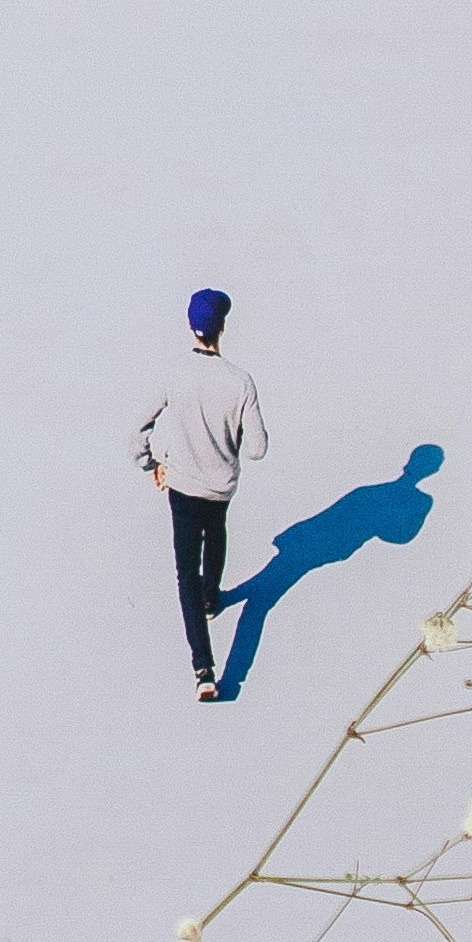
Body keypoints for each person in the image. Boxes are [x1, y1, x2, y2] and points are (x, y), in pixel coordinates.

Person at [132, 288, 267, 704]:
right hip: (222, 486)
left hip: (183, 486)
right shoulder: (240, 381)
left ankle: (204, 669)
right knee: (217, 531)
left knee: (184, 572)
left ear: (191, 327)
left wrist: (151, 464)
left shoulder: (174, 375)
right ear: (222, 326)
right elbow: (258, 448)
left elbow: (139, 427)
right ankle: (213, 597)